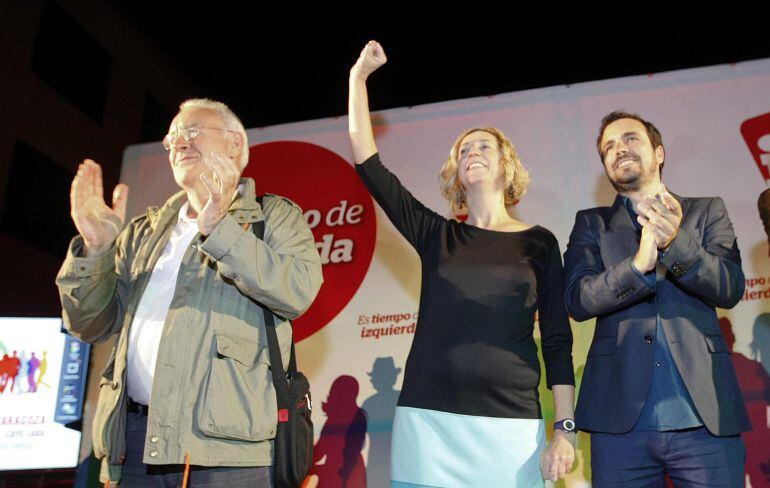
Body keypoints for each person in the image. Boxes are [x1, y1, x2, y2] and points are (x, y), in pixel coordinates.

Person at [55, 98, 323, 487]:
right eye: (171, 139)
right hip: (133, 443)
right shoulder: (143, 233)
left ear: (234, 144)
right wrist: (96, 251)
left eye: (192, 131)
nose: (178, 143)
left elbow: (297, 291)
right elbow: (90, 325)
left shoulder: (274, 218)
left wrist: (221, 231)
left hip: (229, 454)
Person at [349, 41, 575, 487]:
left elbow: (556, 340)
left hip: (511, 427)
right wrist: (358, 78)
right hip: (428, 423)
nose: (472, 151)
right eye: (464, 149)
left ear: (506, 166)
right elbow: (369, 165)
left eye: (484, 146)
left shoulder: (540, 244)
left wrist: (564, 429)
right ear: (455, 173)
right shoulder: (437, 235)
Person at [564, 110, 750, 486]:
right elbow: (578, 300)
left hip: (704, 420)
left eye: (630, 139)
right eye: (609, 147)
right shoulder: (591, 223)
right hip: (619, 427)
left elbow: (730, 286)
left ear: (659, 152)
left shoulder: (705, 212)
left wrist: (674, 245)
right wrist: (637, 266)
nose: (619, 149)